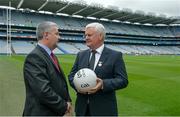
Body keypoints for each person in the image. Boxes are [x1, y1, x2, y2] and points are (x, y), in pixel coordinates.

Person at [68, 22, 128, 116]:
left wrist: (103, 84)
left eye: (89, 35)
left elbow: (123, 80)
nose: (86, 37)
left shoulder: (115, 56)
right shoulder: (81, 55)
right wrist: (78, 86)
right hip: (82, 110)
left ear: (100, 36)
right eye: (85, 35)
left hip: (104, 110)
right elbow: (71, 76)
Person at [23, 21, 72, 116]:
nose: (59, 37)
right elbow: (42, 90)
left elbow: (60, 83)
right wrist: (64, 106)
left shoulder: (51, 56)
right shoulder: (35, 57)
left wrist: (68, 100)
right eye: (57, 34)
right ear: (46, 35)